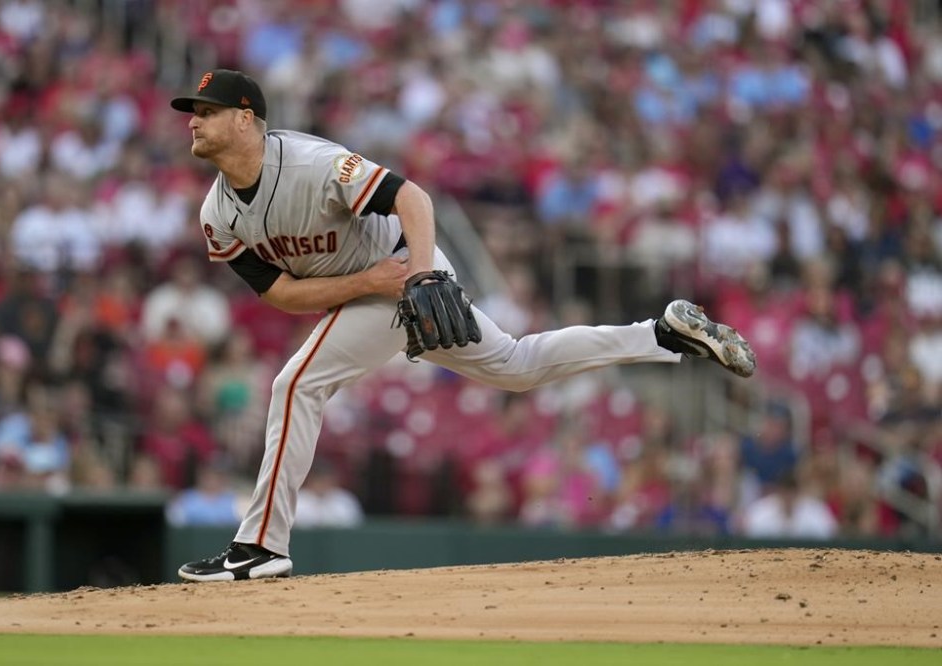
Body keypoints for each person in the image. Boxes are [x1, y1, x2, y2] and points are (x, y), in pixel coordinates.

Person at [169, 69, 757, 582]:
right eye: (193, 113)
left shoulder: (311, 162)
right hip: (376, 284)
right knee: (517, 367)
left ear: (246, 119)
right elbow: (280, 293)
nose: (193, 122)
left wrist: (416, 278)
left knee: (296, 385)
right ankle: (661, 334)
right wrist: (369, 284)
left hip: (411, 267)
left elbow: (414, 199)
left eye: (207, 111)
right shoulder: (217, 214)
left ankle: (261, 545)